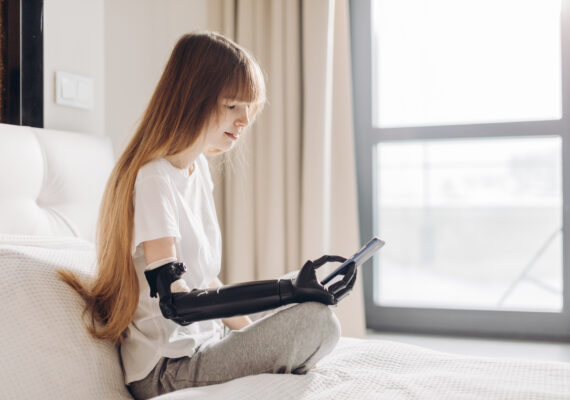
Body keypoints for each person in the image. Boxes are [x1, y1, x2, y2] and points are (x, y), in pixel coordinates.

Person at [59, 32, 358, 399]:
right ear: (193, 98)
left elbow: (208, 282)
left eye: (249, 106)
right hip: (167, 369)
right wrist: (286, 296)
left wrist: (258, 330)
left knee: (308, 306)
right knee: (315, 321)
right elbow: (176, 302)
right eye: (233, 104)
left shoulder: (196, 169)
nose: (245, 118)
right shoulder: (153, 178)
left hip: (208, 343)